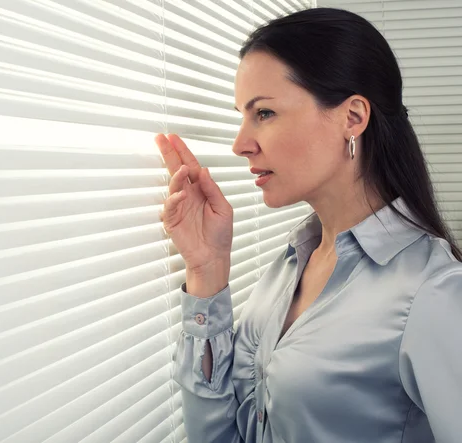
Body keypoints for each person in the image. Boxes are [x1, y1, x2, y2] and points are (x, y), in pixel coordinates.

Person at [155, 7, 462, 443]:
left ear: (352, 117)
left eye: (263, 113)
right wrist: (206, 269)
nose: (241, 143)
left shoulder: (433, 293)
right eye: (243, 115)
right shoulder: (286, 269)